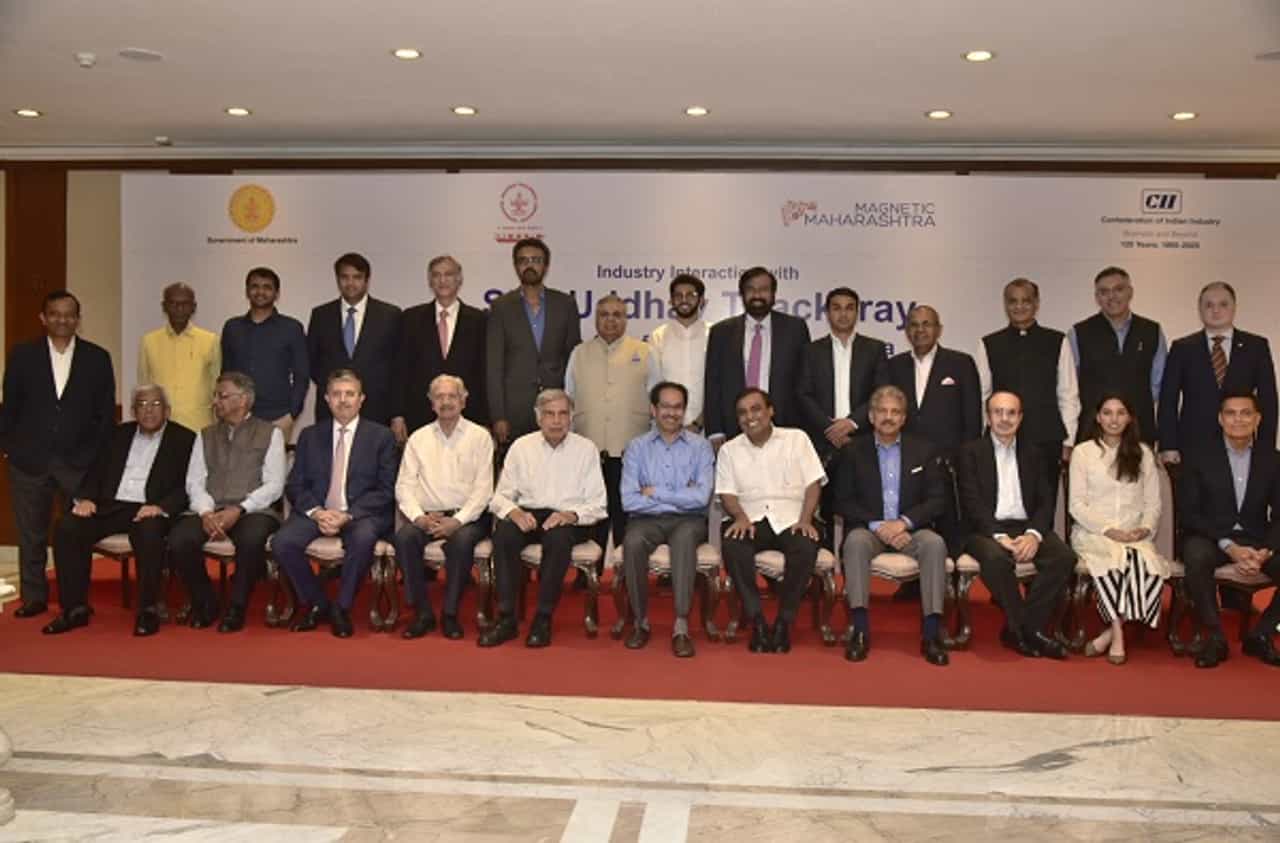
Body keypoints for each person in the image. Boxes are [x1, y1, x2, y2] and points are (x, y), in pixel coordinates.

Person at [43, 385, 195, 636]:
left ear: (167, 411)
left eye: (155, 404)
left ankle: (148, 611)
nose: (148, 410)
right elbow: (96, 470)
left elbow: (188, 485)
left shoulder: (184, 439)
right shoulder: (117, 434)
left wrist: (162, 507)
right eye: (142, 405)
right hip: (110, 505)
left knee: (150, 532)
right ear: (133, 411)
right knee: (68, 527)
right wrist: (85, 498)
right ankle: (74, 609)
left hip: (149, 508)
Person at [0, 290, 115, 618]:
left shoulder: (97, 358)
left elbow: (104, 415)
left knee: (76, 535)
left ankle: (75, 599)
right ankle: (33, 597)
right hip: (29, 462)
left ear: (78, 320)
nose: (62, 320)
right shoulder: (23, 355)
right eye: (55, 314)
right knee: (31, 535)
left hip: (79, 464)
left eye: (69, 314)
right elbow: (10, 407)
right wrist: (9, 448)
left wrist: (96, 461)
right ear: (43, 318)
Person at [273, 368, 399, 638]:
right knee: (283, 542)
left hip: (360, 514)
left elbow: (386, 490)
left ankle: (341, 608)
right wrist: (317, 512)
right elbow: (295, 485)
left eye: (350, 394)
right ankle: (317, 603)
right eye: (337, 394)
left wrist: (347, 515)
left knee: (363, 539)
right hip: (317, 511)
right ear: (327, 399)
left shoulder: (381, 437)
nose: (343, 400)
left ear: (361, 399)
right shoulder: (309, 436)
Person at [481, 389, 607, 649]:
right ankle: (506, 618)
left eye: (563, 414)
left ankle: (543, 618)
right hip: (529, 513)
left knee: (558, 540)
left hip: (570, 518)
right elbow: (500, 496)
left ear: (571, 417)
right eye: (549, 414)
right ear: (538, 417)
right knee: (504, 534)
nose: (556, 421)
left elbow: (598, 504)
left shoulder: (586, 449)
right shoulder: (521, 447)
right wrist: (514, 512)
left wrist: (571, 515)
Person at [833, 386, 949, 666]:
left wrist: (903, 523)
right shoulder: (853, 451)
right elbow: (841, 500)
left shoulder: (924, 450)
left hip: (910, 530)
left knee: (935, 544)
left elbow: (937, 500)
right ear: (871, 416)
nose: (888, 417)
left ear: (904, 418)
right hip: (870, 530)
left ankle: (931, 634)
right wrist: (879, 526)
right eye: (882, 411)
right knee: (855, 542)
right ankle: (860, 630)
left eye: (895, 412)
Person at [959, 390, 1075, 660]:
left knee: (1063, 557)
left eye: (1011, 413)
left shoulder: (1034, 453)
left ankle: (1021, 629)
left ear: (1020, 418)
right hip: (985, 530)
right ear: (988, 417)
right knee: (996, 559)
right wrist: (998, 535)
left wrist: (1033, 535)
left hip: (1026, 527)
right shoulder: (970, 452)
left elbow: (1046, 501)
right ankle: (1028, 630)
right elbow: (971, 502)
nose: (1004, 419)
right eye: (998, 412)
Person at [169, 372, 286, 631]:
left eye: (222, 396)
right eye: (216, 396)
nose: (215, 402)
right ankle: (205, 602)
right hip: (210, 508)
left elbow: (275, 485)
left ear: (243, 400)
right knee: (179, 539)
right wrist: (206, 512)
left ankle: (237, 607)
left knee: (251, 540)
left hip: (254, 510)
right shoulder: (205, 435)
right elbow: (194, 481)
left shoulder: (270, 433)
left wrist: (240, 508)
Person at [716, 388, 826, 654]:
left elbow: (813, 483)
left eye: (756, 409)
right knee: (733, 543)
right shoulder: (729, 450)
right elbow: (727, 493)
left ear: (770, 411)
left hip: (793, 517)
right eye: (742, 413)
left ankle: (784, 623)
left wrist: (806, 519)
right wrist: (740, 517)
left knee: (805, 545)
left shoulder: (796, 439)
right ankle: (756, 621)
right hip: (751, 518)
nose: (750, 417)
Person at [1177, 391, 1280, 669]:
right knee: (1195, 555)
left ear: (1257, 419)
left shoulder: (1272, 459)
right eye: (1231, 413)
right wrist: (1229, 547)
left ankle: (1261, 634)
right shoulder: (1199, 457)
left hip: (1256, 539)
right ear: (1221, 419)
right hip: (1211, 537)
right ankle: (1215, 637)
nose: (1238, 420)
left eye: (1246, 413)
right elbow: (1189, 513)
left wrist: (1265, 551)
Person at [1068, 394, 1169, 666]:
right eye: (1107, 413)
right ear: (1098, 417)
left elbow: (1153, 504)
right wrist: (1108, 530)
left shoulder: (1143, 453)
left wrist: (1144, 529)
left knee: (1148, 569)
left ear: (1130, 418)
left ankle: (1106, 635)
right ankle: (1117, 634)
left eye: (1120, 413)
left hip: (1134, 535)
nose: (1114, 419)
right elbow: (1076, 505)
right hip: (1094, 534)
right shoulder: (1083, 452)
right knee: (1112, 567)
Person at [394, 375, 494, 640]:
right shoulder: (418, 438)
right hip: (427, 516)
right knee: (404, 538)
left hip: (468, 518)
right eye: (440, 397)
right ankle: (422, 613)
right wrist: (419, 517)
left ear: (463, 401)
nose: (446, 402)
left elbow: (484, 490)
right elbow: (404, 486)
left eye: (452, 396)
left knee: (461, 542)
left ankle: (450, 614)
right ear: (431, 403)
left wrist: (458, 521)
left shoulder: (480, 437)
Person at [618, 381, 715, 657]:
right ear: (653, 409)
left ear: (685, 410)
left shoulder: (701, 447)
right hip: (645, 520)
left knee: (684, 540)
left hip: (688, 521)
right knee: (633, 542)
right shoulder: (636, 447)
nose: (672, 413)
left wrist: (655, 492)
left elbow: (701, 498)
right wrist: (682, 494)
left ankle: (681, 627)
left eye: (678, 407)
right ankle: (640, 622)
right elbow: (629, 500)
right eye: (665, 407)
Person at [565, 294, 660, 554]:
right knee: (590, 521)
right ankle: (588, 572)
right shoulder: (579, 353)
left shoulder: (645, 352)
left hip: (630, 453)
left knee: (625, 520)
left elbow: (657, 401)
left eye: (617, 314)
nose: (610, 320)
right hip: (589, 453)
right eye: (604, 314)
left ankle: (625, 571)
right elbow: (569, 399)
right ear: (595, 319)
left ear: (626, 319)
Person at [887, 304, 981, 564]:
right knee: (914, 529)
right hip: (908, 463)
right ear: (907, 331)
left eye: (926, 324)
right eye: (914, 325)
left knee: (951, 529)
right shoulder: (894, 366)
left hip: (948, 463)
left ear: (939, 329)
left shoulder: (960, 363)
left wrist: (966, 460)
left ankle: (950, 581)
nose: (920, 330)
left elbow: (972, 416)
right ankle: (914, 582)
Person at [976, 278, 1080, 512]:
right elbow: (983, 395)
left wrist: (1068, 441)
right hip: (1002, 438)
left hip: (1047, 438)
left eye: (1026, 301)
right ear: (1005, 304)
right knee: (1004, 502)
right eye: (1013, 301)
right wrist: (985, 438)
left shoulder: (1057, 341)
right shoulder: (989, 343)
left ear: (1036, 304)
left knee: (1044, 504)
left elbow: (1068, 394)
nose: (1019, 306)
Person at [1159, 281, 1278, 462]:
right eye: (1209, 305)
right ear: (1199, 309)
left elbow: (1268, 400)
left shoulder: (1256, 346)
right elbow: (1168, 400)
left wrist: (1266, 446)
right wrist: (1168, 445)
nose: (1216, 310)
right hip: (1192, 445)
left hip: (1242, 443)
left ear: (1234, 307)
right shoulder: (1182, 348)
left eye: (1223, 304)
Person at [486, 238, 582, 446]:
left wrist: (571, 407)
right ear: (516, 266)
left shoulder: (565, 304)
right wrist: (498, 416)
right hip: (514, 410)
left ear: (546, 266)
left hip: (555, 410)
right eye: (523, 260)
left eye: (536, 260)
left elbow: (574, 360)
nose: (529, 265)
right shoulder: (501, 307)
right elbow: (494, 367)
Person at [704, 267, 811, 444]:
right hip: (734, 427)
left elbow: (805, 381)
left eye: (763, 289)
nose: (757, 295)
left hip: (785, 427)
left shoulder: (795, 329)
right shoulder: (721, 332)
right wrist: (715, 430)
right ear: (742, 294)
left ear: (773, 294)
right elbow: (713, 384)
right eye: (751, 289)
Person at [390, 255, 489, 443]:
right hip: (419, 415)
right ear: (430, 281)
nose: (443, 280)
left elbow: (484, 372)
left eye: (448, 274)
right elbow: (400, 370)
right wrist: (397, 414)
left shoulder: (479, 320)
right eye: (436, 275)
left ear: (459, 279)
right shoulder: (411, 318)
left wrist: (486, 419)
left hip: (468, 416)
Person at [1067, 267, 1167, 445]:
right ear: (1097, 297)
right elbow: (1070, 388)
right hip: (1092, 433)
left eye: (1118, 289)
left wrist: (1131, 408)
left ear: (1130, 292)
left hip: (1139, 431)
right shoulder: (1079, 333)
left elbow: (1158, 384)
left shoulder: (1152, 331)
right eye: (1104, 292)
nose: (1111, 297)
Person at [307, 252, 402, 425]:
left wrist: (397, 413)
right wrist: (336, 388)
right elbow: (312, 363)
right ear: (337, 280)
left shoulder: (390, 315)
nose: (350, 283)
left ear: (367, 280)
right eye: (345, 277)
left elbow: (398, 367)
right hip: (332, 409)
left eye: (357, 277)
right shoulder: (321, 315)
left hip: (377, 408)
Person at [797, 287, 889, 463]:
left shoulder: (874, 349)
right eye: (837, 308)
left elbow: (880, 392)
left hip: (863, 438)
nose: (843, 314)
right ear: (827, 313)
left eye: (849, 308)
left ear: (857, 312)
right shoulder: (811, 351)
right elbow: (803, 394)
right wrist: (831, 429)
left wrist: (852, 423)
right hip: (822, 441)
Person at [219, 267, 309, 440]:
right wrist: (226, 409)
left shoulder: (292, 328)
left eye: (267, 287)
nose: (260, 292)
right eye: (255, 286)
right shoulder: (232, 328)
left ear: (276, 293)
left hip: (278, 416)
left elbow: (302, 375)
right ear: (247, 291)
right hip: (237, 415)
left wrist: (291, 414)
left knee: (275, 460)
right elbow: (226, 374)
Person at [137, 282, 221, 432]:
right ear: (164, 307)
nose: (179, 309)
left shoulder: (210, 341)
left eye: (185, 304)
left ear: (193, 307)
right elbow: (144, 386)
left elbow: (217, 386)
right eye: (173, 304)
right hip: (161, 427)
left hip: (199, 426)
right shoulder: (149, 341)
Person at [647, 274, 710, 432]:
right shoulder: (658, 336)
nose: (684, 300)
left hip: (706, 427)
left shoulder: (714, 334)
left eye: (690, 295)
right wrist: (669, 423)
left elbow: (717, 387)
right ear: (671, 301)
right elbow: (655, 385)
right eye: (678, 295)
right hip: (667, 428)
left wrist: (698, 423)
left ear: (701, 300)